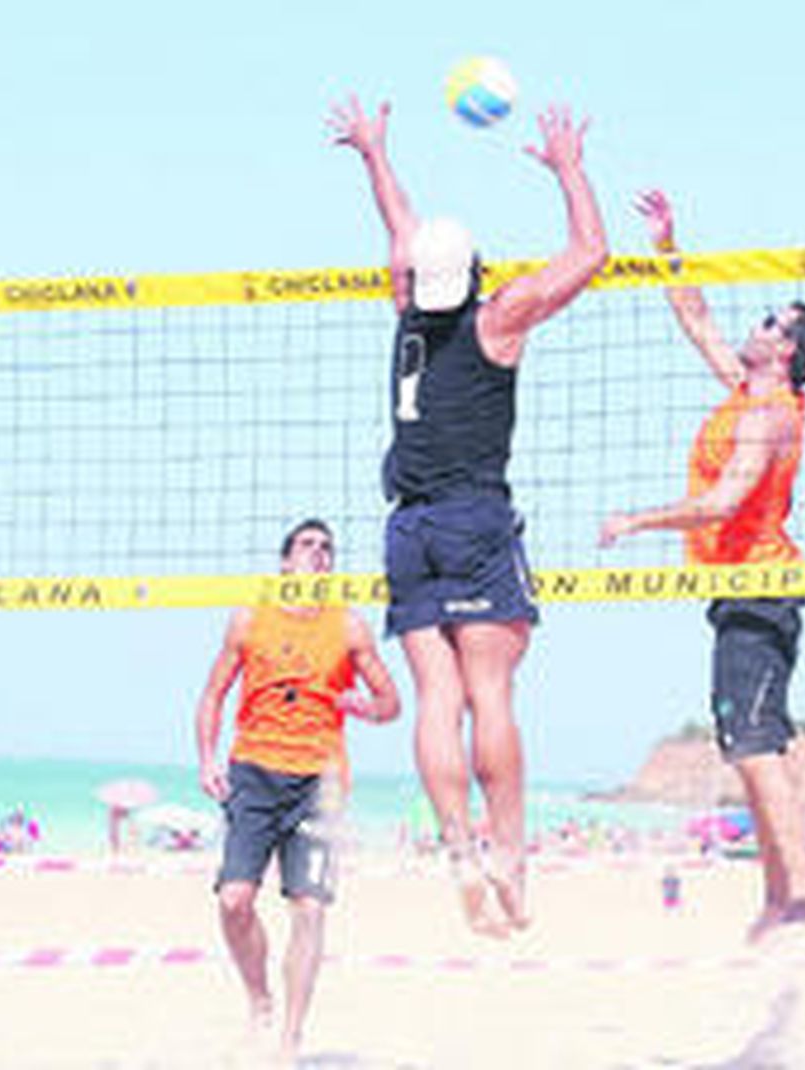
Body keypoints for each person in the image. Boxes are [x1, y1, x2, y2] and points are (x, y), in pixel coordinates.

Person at [328, 94, 607, 935]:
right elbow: (591, 252)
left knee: (434, 701)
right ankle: (509, 859)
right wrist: (568, 169)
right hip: (475, 519)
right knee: (492, 694)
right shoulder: (500, 318)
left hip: (407, 529)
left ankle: (457, 850)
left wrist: (374, 152)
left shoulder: (405, 312)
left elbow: (400, 225)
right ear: (478, 269)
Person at [600, 189, 805, 945]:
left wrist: (637, 519)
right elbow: (693, 314)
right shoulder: (745, 389)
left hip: (761, 590)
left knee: (758, 744)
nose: (757, 323)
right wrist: (667, 244)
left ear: (788, 348)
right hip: (739, 594)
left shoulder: (770, 416)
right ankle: (777, 898)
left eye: (772, 321)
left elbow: (725, 501)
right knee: (749, 745)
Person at [195, 518, 400, 1063]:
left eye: (327, 549)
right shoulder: (248, 618)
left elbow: (391, 703)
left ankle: (290, 1034)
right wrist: (206, 759)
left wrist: (366, 707)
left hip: (320, 781)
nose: (319, 554)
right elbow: (213, 694)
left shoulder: (349, 626)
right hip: (254, 771)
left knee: (308, 908)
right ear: (285, 562)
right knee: (233, 901)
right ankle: (259, 999)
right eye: (308, 546)